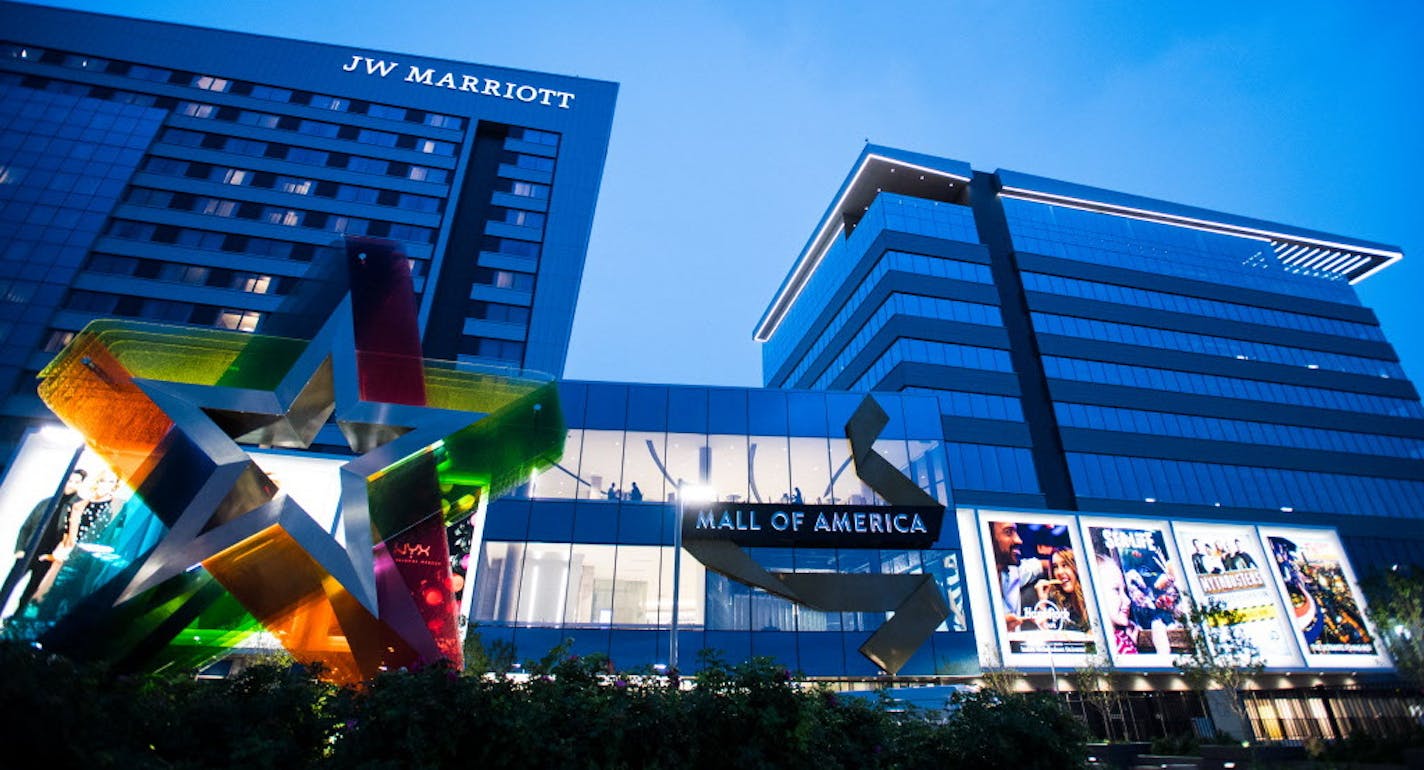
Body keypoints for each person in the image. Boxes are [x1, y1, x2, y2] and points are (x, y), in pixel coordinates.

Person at [11, 468, 87, 611]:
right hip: (28, 552)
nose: (71, 484)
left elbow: (74, 537)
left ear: (81, 484)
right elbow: (26, 527)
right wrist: (19, 549)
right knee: (9, 586)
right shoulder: (47, 502)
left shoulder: (78, 507)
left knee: (31, 594)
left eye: (76, 482)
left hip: (50, 559)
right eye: (69, 480)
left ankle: (15, 621)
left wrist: (55, 556)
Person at [989, 521, 1045, 630]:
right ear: (989, 537)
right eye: (1008, 532)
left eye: (1016, 532)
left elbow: (1045, 565)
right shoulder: (964, 581)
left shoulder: (1015, 572)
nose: (1019, 540)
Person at [1035, 547, 1090, 632]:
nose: (1059, 572)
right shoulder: (1060, 603)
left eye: (1065, 565)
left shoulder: (1092, 599)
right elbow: (1049, 635)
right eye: (1055, 567)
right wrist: (1043, 603)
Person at [1094, 553, 1140, 654]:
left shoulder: (1120, 638)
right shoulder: (1114, 643)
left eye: (1124, 590)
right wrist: (1163, 652)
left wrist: (1130, 643)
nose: (1127, 600)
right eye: (1116, 590)